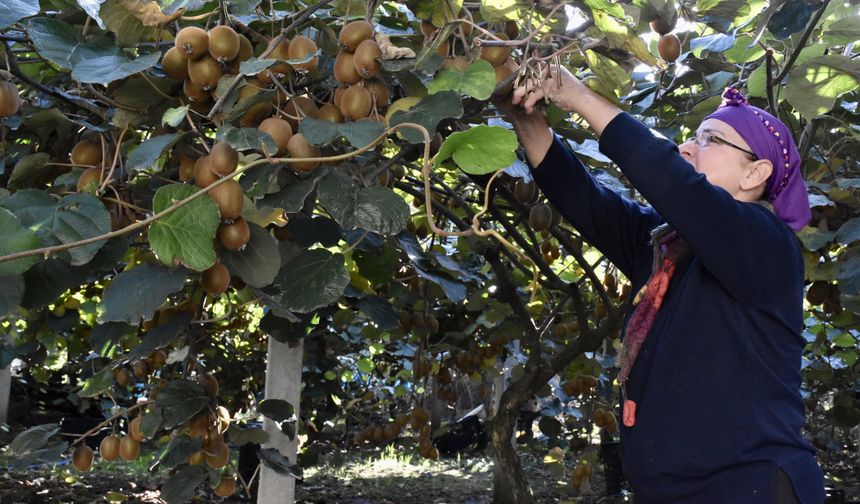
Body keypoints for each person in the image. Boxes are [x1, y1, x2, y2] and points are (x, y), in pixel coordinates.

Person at [506, 65, 826, 503]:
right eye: (694, 136)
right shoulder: (666, 247)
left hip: (749, 486)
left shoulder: (766, 244)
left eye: (710, 140)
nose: (688, 147)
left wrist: (578, 96)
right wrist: (522, 111)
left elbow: (672, 181)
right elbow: (581, 195)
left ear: (755, 175)